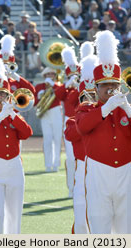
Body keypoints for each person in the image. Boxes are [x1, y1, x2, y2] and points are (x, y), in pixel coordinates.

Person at [75, 30, 131, 234]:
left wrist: (128, 110)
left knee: (126, 228)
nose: (109, 89)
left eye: (113, 85)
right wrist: (106, 108)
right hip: (99, 173)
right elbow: (82, 127)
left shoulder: (125, 109)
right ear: (96, 88)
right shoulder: (87, 108)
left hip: (126, 172)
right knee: (100, 226)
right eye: (104, 85)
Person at [0, 58, 33, 234]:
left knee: (14, 213)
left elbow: (27, 133)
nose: (0, 98)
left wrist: (13, 116)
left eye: (4, 94)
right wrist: (0, 117)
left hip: (14, 166)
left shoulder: (13, 114)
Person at [65, 54, 98, 234]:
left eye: (95, 95)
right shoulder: (73, 119)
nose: (92, 99)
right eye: (88, 95)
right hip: (83, 169)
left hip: (105, 169)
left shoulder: (108, 116)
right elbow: (71, 134)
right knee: (81, 215)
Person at [57, 46, 81, 198]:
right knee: (71, 157)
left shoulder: (83, 87)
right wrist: (68, 85)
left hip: (84, 119)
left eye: (76, 74)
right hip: (70, 121)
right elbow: (60, 96)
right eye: (71, 75)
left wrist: (79, 85)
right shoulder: (65, 89)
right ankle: (72, 188)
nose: (75, 77)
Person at [34, 67, 64, 172]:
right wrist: (39, 96)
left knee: (57, 139)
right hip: (45, 113)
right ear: (44, 76)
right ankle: (48, 164)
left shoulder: (58, 86)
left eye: (52, 74)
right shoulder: (39, 87)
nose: (50, 76)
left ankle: (56, 164)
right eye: (48, 74)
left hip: (56, 111)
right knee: (47, 140)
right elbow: (34, 102)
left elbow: (61, 95)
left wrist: (53, 84)